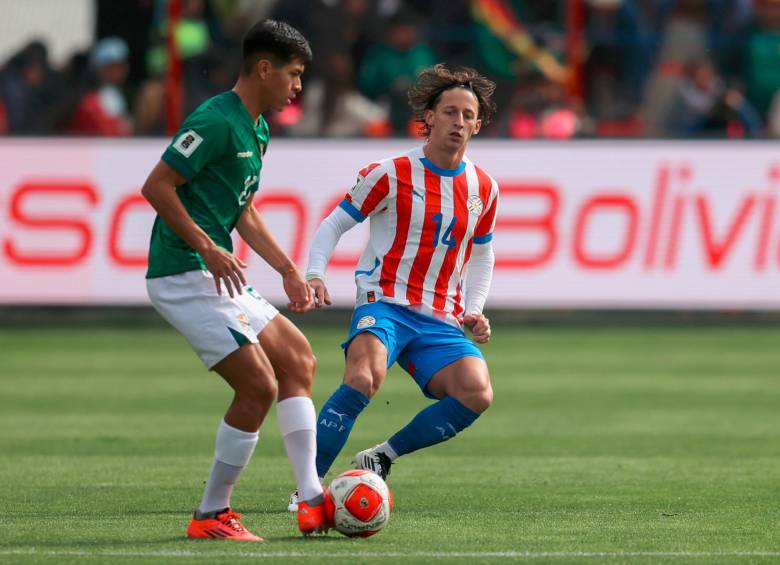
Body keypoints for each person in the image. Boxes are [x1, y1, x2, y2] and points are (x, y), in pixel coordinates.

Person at [141, 19, 329, 541]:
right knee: (258, 386)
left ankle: (313, 499)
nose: (298, 86)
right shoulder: (217, 120)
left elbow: (242, 207)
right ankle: (211, 515)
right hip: (182, 273)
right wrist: (206, 244)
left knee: (297, 359)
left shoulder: (258, 127)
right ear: (264, 68)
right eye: (293, 75)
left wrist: (288, 269)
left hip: (214, 270)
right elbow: (157, 186)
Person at [290, 64, 498, 509]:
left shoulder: (484, 187)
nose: (458, 122)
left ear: (477, 125)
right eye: (449, 112)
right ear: (430, 117)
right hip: (383, 302)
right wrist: (315, 273)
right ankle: (306, 490)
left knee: (477, 391)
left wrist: (474, 309)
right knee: (364, 377)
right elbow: (333, 224)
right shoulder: (390, 173)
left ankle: (380, 457)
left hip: (440, 317)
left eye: (467, 115)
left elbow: (482, 253)